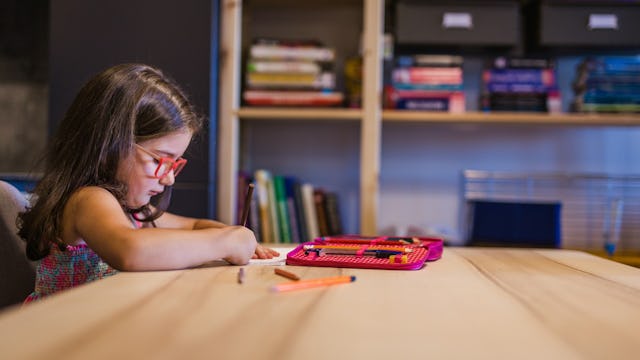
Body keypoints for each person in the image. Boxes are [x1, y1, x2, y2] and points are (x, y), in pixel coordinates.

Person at [18, 63, 279, 302]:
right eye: (159, 161)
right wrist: (224, 243)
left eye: (175, 164)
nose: (169, 177)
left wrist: (231, 234)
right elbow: (130, 250)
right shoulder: (88, 199)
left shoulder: (133, 214)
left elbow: (194, 226)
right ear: (109, 145)